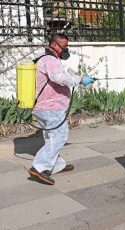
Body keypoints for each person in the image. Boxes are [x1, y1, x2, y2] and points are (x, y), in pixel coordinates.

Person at [28, 33, 94, 185]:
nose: (66, 50)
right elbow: (59, 77)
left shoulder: (45, 58)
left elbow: (59, 75)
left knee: (51, 137)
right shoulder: (50, 60)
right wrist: (80, 79)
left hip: (45, 106)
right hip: (50, 107)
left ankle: (57, 165)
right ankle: (38, 167)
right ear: (54, 45)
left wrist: (78, 78)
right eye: (64, 47)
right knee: (60, 136)